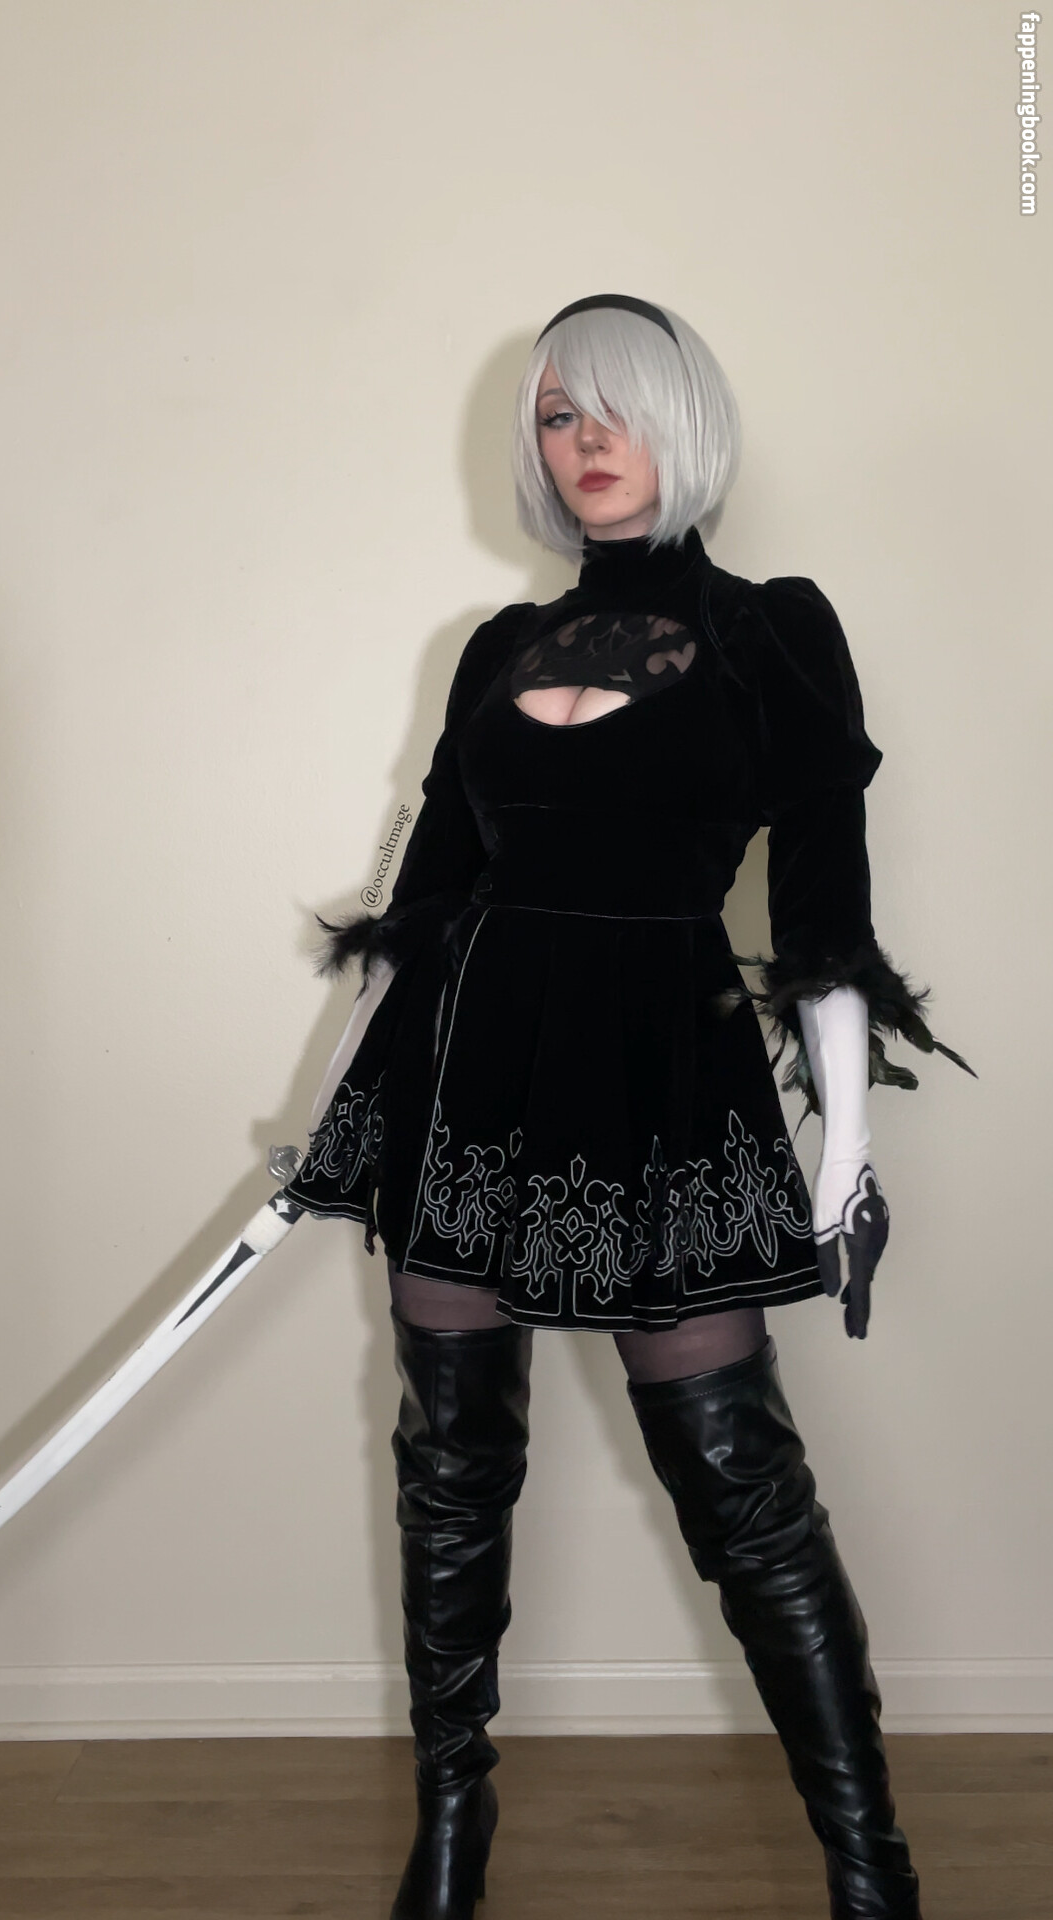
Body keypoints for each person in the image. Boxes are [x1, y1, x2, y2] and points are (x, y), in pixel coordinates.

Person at [283, 294, 972, 1920]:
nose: (583, 441)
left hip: (667, 1078)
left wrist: (848, 1159)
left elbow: (823, 914)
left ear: (684, 422)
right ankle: (453, 1831)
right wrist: (331, 1123)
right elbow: (422, 910)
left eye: (614, 408)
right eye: (554, 416)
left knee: (746, 1493)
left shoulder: (770, 631)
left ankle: (871, 1870)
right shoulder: (494, 650)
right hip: (472, 1079)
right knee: (449, 1472)